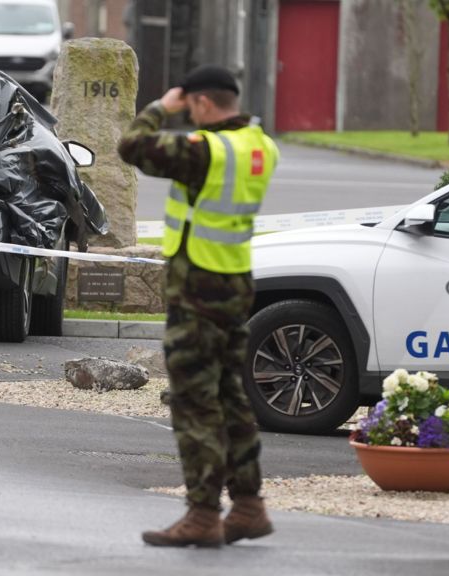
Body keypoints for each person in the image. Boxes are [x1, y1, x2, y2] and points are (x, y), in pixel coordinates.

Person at [117, 65, 279, 548]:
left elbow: (132, 147)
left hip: (198, 292)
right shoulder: (260, 146)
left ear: (203, 103)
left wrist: (160, 108)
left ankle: (203, 513)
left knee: (195, 402)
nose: (186, 116)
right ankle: (248, 506)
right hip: (235, 285)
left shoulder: (205, 151)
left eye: (190, 108)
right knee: (230, 397)